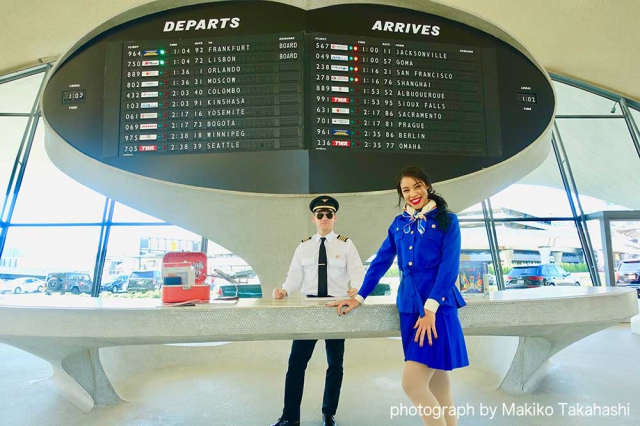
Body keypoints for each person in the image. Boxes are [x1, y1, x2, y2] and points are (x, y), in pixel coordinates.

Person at [329, 166, 469, 426]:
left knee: (413, 384)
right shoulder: (398, 224)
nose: (413, 193)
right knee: (438, 382)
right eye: (406, 190)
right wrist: (359, 297)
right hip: (408, 305)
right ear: (401, 194)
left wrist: (430, 310)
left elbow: (449, 268)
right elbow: (380, 262)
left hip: (436, 307)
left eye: (417, 186)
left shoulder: (448, 220)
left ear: (427, 186)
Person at [271, 195, 365, 426]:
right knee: (296, 365)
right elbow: (294, 276)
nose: (324, 218)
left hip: (337, 308)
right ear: (313, 218)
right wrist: (284, 291)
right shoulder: (303, 246)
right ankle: (289, 417)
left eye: (329, 214)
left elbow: (357, 271)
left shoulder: (346, 244)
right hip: (309, 309)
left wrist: (356, 288)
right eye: (320, 215)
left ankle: (328, 414)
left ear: (335, 217)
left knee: (335, 364)